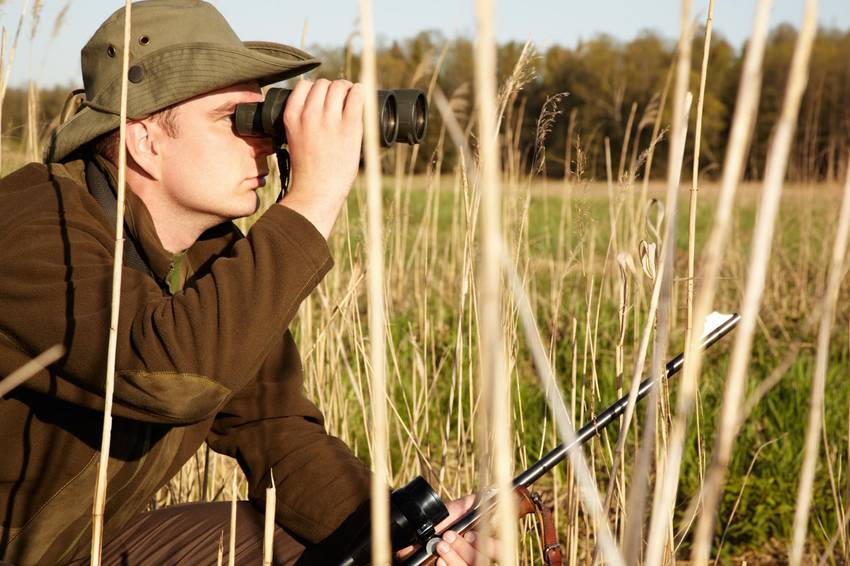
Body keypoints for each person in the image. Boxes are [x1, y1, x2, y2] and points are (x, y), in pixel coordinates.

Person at [0, 1, 491, 564]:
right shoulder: (32, 229)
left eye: (264, 117)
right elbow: (165, 372)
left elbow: (272, 425)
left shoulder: (209, 254)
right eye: (233, 120)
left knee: (303, 542)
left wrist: (393, 532)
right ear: (145, 141)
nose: (264, 140)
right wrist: (312, 197)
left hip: (81, 547)